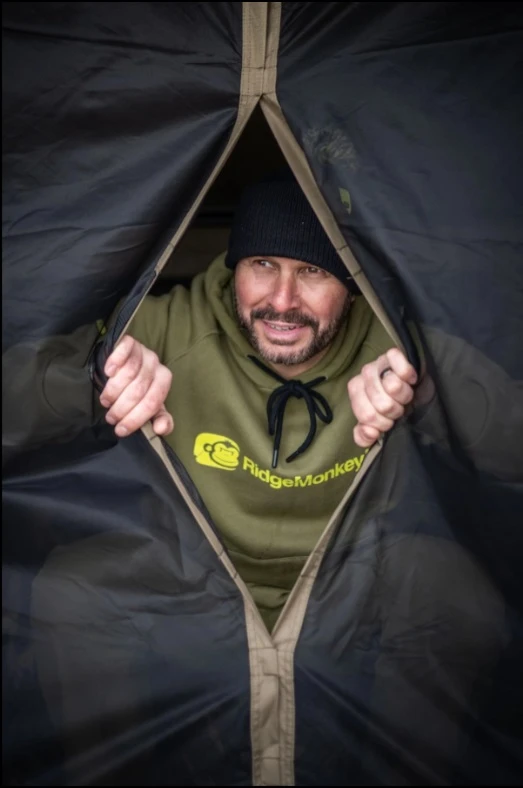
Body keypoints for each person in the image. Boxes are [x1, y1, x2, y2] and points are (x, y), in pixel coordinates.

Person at [96, 174, 418, 630]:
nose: (282, 301)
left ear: (351, 283)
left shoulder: (399, 344)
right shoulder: (167, 327)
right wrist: (103, 370)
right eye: (263, 263)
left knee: (465, 597)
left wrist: (425, 400)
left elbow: (504, 435)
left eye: (313, 270)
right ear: (235, 268)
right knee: (68, 589)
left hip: (354, 582)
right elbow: (28, 382)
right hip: (188, 574)